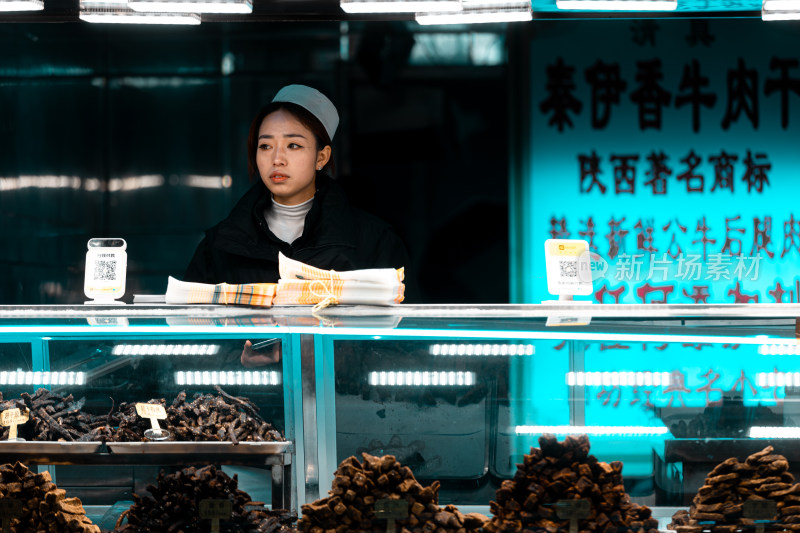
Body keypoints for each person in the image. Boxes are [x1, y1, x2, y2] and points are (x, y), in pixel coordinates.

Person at [183, 84, 409, 285]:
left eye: (293, 145)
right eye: (265, 146)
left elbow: (404, 327)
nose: (277, 159)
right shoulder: (221, 244)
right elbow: (194, 327)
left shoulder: (374, 241)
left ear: (321, 157)